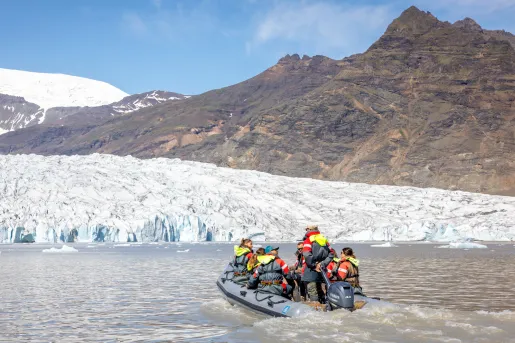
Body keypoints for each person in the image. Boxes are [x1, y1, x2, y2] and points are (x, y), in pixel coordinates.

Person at [301, 225, 334, 303]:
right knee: (320, 290)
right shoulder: (324, 240)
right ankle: (325, 305)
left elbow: (306, 254)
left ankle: (315, 309)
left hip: (310, 270)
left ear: (309, 230)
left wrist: (314, 265)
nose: (306, 231)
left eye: (307, 229)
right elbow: (331, 253)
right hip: (322, 270)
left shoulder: (308, 240)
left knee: (312, 291)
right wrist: (323, 264)